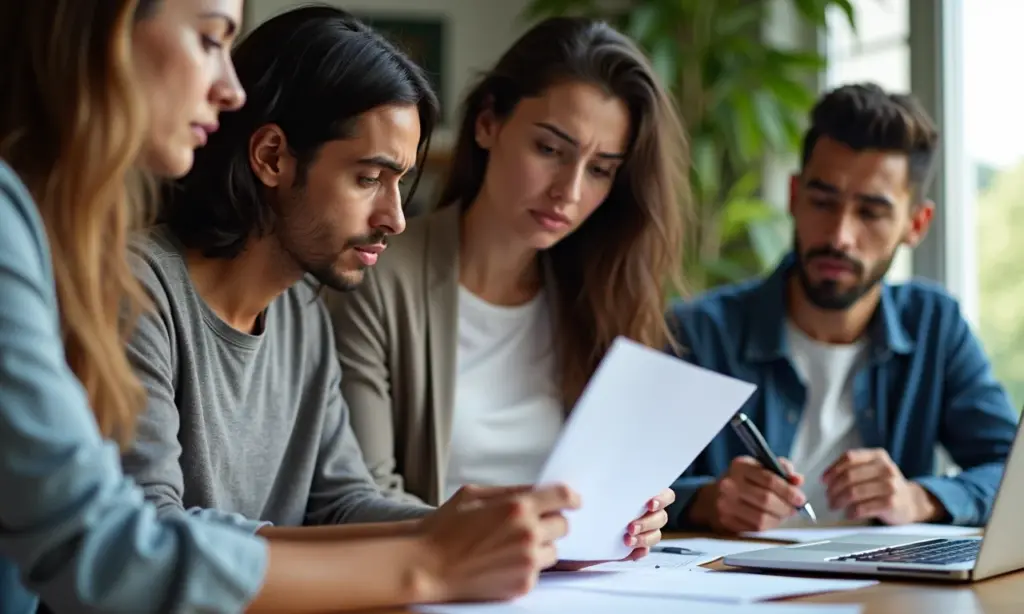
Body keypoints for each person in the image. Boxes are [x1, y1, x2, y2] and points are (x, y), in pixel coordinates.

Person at [0, 1, 577, 612]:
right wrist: (428, 556)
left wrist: (482, 533)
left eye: (400, 184)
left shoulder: (302, 310)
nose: (396, 218)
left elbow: (339, 502)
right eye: (368, 179)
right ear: (272, 157)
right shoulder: (134, 291)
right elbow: (139, 540)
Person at [326, 16, 688, 559]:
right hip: (436, 579)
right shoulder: (376, 277)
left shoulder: (600, 298)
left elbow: (603, 493)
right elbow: (362, 500)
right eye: (550, 149)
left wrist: (633, 516)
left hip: (571, 583)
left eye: (600, 169)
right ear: (488, 123)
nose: (568, 191)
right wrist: (518, 532)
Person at [665, 83, 1019, 535]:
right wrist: (705, 502)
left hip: (883, 579)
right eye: (822, 202)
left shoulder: (935, 326)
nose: (839, 236)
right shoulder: (697, 333)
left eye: (870, 213)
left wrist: (919, 498)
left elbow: (1012, 474)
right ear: (794, 196)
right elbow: (619, 487)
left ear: (916, 224)